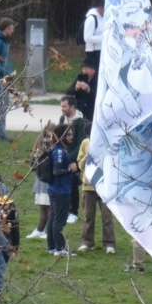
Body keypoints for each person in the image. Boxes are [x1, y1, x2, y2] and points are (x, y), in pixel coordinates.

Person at [77, 123, 116, 254]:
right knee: (88, 215)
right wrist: (85, 159)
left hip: (104, 185)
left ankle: (109, 243)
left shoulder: (107, 143)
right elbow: (80, 164)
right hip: (89, 185)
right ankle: (87, 242)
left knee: (106, 215)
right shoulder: (85, 143)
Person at [46, 124, 78, 257]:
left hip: (55, 190)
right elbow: (57, 171)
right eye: (69, 134)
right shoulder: (59, 151)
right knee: (58, 221)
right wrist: (70, 170)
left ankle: (52, 247)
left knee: (53, 218)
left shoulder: (58, 149)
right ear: (62, 136)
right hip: (60, 191)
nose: (71, 137)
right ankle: (60, 249)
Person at [59, 95, 86, 224]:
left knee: (73, 185)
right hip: (61, 157)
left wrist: (70, 159)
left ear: (72, 107)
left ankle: (73, 212)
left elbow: (81, 143)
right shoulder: (62, 119)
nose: (62, 109)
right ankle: (64, 210)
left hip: (74, 159)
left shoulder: (80, 123)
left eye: (64, 106)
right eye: (61, 106)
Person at [27, 122, 55, 240]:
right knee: (43, 207)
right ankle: (40, 230)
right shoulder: (40, 146)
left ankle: (49, 231)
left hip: (48, 181)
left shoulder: (55, 148)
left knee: (49, 208)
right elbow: (32, 165)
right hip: (40, 180)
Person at [66, 56, 98, 122]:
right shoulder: (80, 78)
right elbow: (68, 92)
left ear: (93, 70)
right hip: (80, 110)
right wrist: (75, 88)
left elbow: (98, 97)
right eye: (83, 69)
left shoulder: (98, 80)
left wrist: (89, 90)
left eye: (86, 69)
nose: (83, 71)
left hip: (92, 110)